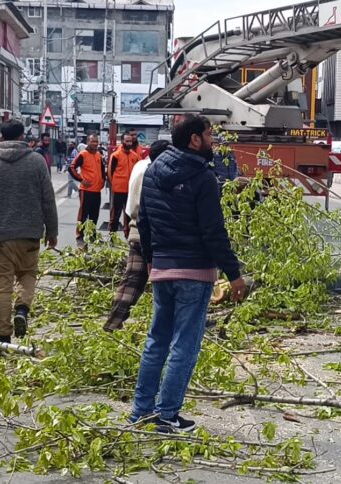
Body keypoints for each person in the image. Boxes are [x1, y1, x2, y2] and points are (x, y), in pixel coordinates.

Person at [131, 115, 247, 432]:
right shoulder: (203, 177)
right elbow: (213, 232)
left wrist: (152, 260)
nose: (213, 141)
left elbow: (144, 221)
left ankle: (141, 412)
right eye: (209, 135)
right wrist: (234, 274)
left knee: (157, 341)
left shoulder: (153, 170)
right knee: (185, 345)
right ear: (194, 139)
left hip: (162, 269)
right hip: (194, 272)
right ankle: (167, 414)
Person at [0, 120, 58, 343]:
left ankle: (4, 336)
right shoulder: (37, 161)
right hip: (30, 233)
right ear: (22, 136)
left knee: (2, 287)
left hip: (0, 235)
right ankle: (22, 309)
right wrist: (52, 231)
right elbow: (48, 199)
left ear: (1, 137)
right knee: (28, 274)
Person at [105, 140, 171, 332]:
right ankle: (164, 327)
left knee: (132, 281)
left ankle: (113, 322)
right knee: (159, 283)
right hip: (149, 232)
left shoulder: (140, 166)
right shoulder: (153, 172)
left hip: (137, 230)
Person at [68, 135, 106, 241]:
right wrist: (81, 179)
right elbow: (71, 167)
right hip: (86, 190)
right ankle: (80, 235)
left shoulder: (98, 154)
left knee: (95, 215)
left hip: (97, 190)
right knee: (83, 214)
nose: (95, 143)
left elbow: (102, 168)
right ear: (88, 142)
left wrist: (103, 179)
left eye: (96, 141)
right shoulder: (83, 154)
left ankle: (92, 236)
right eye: (92, 141)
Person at [108, 133, 142, 232]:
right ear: (122, 141)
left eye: (130, 141)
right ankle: (112, 237)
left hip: (130, 191)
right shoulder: (115, 155)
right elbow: (110, 173)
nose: (129, 143)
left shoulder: (135, 156)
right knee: (115, 215)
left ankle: (128, 236)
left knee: (129, 215)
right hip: (118, 190)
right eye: (127, 141)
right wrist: (114, 185)